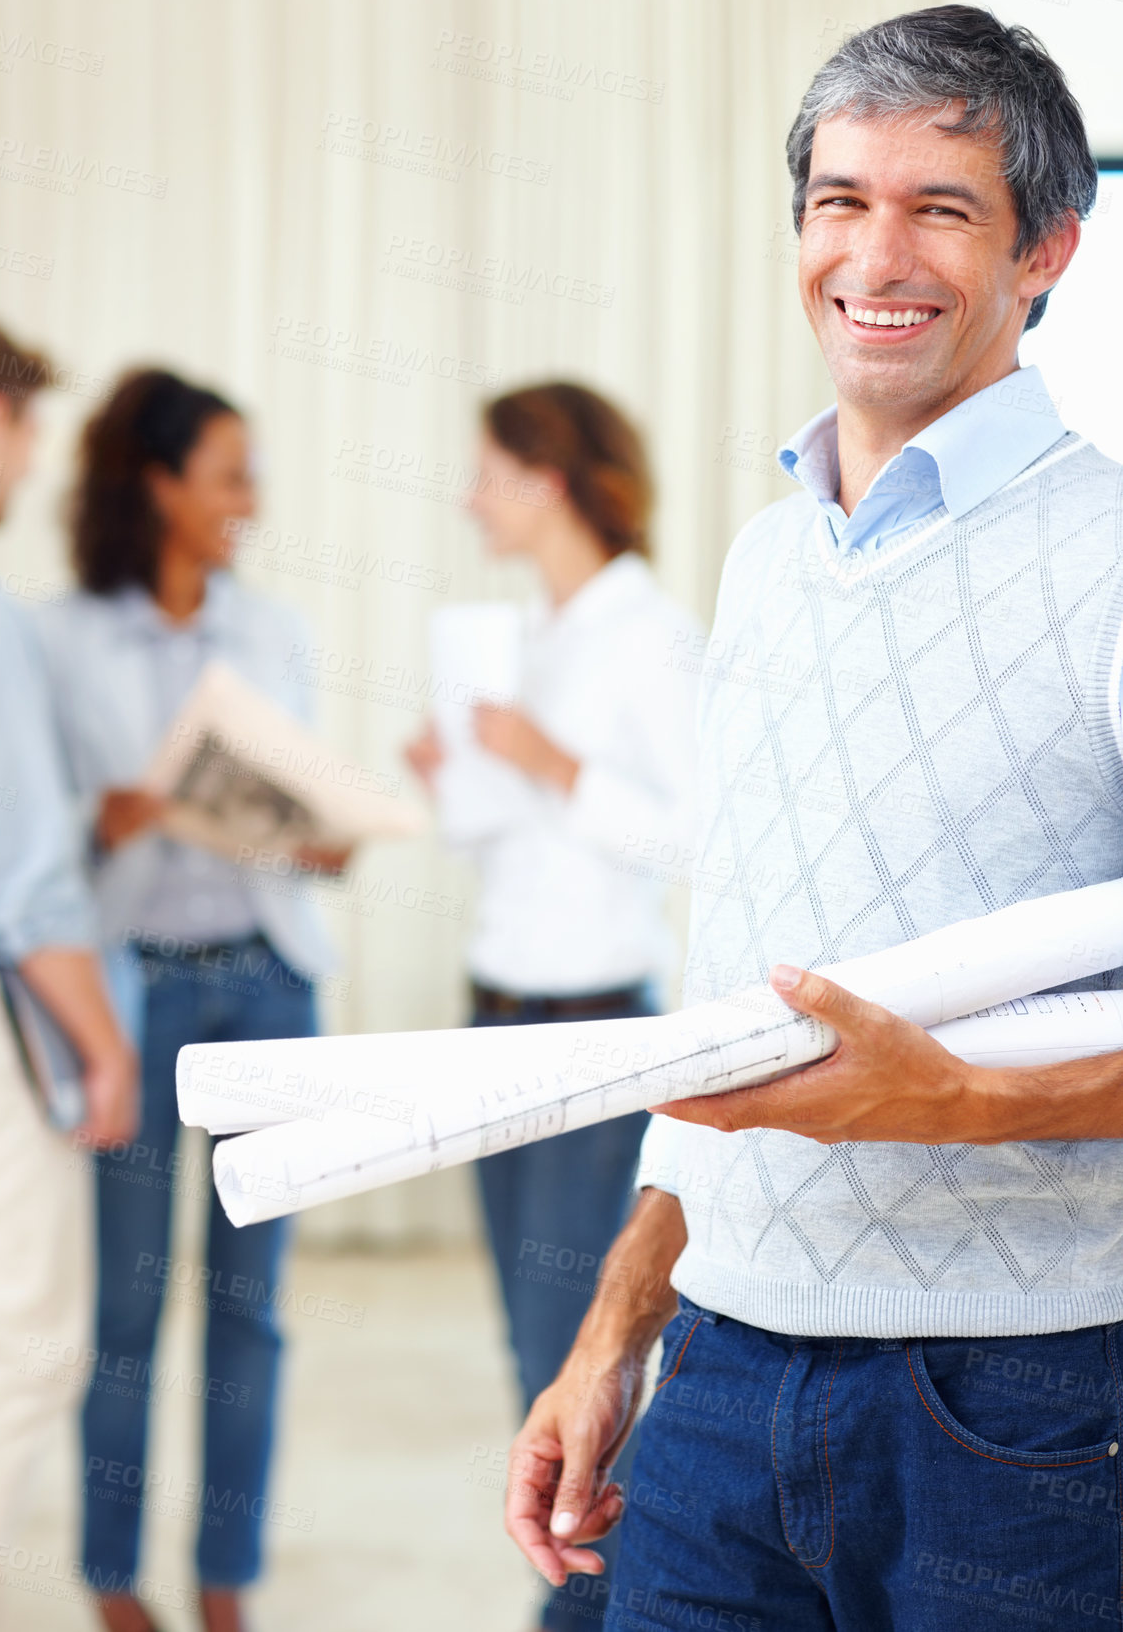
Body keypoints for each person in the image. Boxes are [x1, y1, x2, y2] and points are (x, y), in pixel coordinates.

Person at [505, 7, 1123, 1629]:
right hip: (713, 1374)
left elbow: (933, 1087)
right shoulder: (763, 564)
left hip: (1021, 1409)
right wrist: (610, 1330)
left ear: (1044, 248)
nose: (875, 250)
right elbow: (722, 1003)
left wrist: (958, 1104)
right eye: (838, 199)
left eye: (939, 206)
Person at [39, 369, 344, 1632]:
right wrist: (95, 818)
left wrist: (318, 830)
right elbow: (13, 842)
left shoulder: (270, 635)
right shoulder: (58, 642)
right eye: (229, 473)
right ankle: (115, 1584)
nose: (249, 501)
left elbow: (314, 821)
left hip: (266, 989)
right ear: (157, 484)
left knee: (248, 1310)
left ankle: (226, 1584)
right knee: (123, 1306)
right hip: (133, 997)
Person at [408, 381, 699, 1631]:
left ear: (550, 477)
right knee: (531, 1349)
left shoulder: (648, 632)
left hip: (591, 1029)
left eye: (488, 472)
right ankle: (579, 1592)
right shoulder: (522, 632)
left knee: (583, 1348)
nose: (471, 498)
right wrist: (458, 776)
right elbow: (508, 836)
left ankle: (586, 1608)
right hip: (497, 1017)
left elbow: (695, 834)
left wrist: (552, 764)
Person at [0, 319, 138, 1632]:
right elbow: (24, 876)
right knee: (25, 1341)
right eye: (18, 431)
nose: (21, 466)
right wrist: (103, 1044)